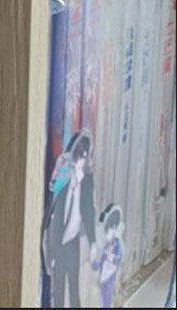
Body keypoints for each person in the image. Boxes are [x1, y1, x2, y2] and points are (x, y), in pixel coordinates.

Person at [42, 131, 98, 308]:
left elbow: (88, 210)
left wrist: (93, 242)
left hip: (72, 239)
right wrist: (72, 182)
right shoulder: (64, 170)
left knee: (74, 286)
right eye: (80, 158)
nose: (82, 163)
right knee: (58, 286)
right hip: (58, 238)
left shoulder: (87, 178)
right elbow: (54, 210)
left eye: (85, 158)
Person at [91, 205, 125, 309]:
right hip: (103, 280)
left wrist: (111, 258)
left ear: (115, 228)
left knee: (108, 299)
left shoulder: (117, 244)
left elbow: (119, 259)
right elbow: (97, 265)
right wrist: (93, 260)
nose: (108, 233)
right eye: (107, 230)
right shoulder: (106, 247)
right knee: (103, 300)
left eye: (111, 229)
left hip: (111, 278)